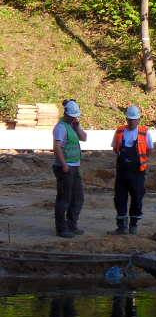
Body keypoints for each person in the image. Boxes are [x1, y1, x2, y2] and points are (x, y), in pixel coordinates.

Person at [111, 105, 153, 235]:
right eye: (130, 119)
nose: (132, 122)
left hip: (137, 172)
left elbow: (149, 150)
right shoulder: (119, 131)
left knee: (137, 198)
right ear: (126, 119)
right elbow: (115, 148)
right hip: (122, 172)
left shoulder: (144, 132)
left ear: (139, 120)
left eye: (134, 120)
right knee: (120, 198)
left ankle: (133, 225)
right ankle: (121, 226)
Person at [53, 100, 88, 238]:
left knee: (78, 198)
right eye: (72, 116)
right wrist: (64, 165)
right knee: (64, 199)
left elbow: (84, 138)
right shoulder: (61, 127)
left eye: (75, 116)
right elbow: (57, 147)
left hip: (74, 166)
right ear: (66, 114)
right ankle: (61, 229)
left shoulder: (72, 125)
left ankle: (72, 225)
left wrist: (78, 127)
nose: (74, 118)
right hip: (65, 168)